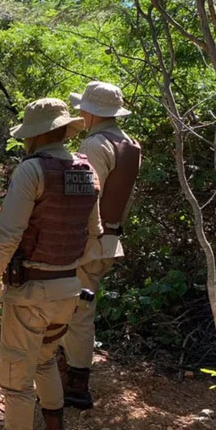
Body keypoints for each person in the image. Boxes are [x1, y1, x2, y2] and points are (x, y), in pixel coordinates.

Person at [0, 98, 101, 430]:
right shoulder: (86, 170)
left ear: (38, 134)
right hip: (68, 291)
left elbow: (8, 235)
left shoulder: (32, 171)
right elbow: (93, 234)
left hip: (30, 293)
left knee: (15, 381)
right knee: (45, 363)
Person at [61, 81, 141, 410]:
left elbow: (84, 200)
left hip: (88, 242)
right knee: (79, 307)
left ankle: (75, 386)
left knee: (78, 311)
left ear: (92, 112)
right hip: (110, 239)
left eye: (83, 108)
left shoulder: (95, 145)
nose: (79, 112)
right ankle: (69, 373)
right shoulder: (129, 144)